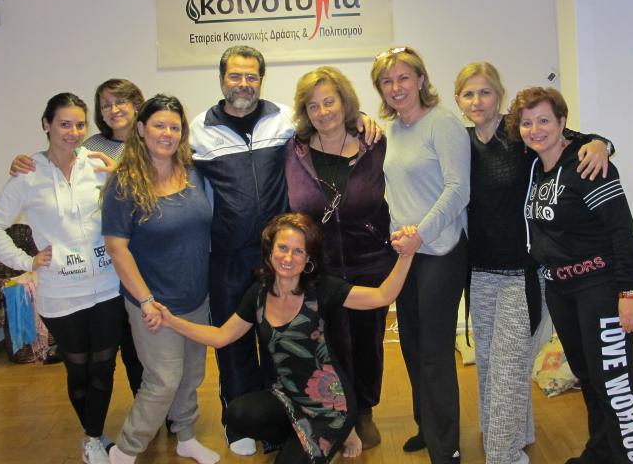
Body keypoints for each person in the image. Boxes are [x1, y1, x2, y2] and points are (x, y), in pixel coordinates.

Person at [189, 45, 379, 456]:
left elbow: (327, 121)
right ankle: (239, 421)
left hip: (279, 255)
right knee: (235, 341)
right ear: (221, 79)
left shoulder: (283, 120)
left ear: (261, 79)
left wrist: (359, 119)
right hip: (228, 255)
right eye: (235, 76)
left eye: (251, 76)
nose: (243, 84)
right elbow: (165, 162)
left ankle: (283, 419)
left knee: (282, 340)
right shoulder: (198, 129)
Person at [157, 213, 415, 464]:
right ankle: (302, 438)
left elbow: (382, 296)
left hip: (330, 408)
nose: (288, 258)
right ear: (270, 251)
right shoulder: (259, 293)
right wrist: (171, 321)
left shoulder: (321, 288)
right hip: (289, 398)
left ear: (308, 258)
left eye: (298, 251)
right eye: (282, 248)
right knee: (238, 414)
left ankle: (343, 433)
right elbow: (221, 336)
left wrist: (406, 255)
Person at [453, 63, 611, 464]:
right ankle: (513, 432)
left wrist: (601, 144)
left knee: (508, 367)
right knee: (490, 365)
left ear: (499, 96)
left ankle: (503, 455)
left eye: (485, 92)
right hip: (479, 273)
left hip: (522, 274)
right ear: (458, 100)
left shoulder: (519, 137)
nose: (477, 101)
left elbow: (573, 140)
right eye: (468, 94)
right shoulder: (460, 142)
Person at [511, 86, 633, 464]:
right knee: (588, 378)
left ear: (562, 122)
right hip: (561, 290)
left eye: (544, 120)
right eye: (527, 123)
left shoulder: (588, 166)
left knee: (615, 386)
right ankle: (601, 453)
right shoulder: (534, 169)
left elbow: (623, 232)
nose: (535, 130)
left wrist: (630, 293)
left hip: (600, 288)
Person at [0, 93, 122, 464]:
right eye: (64, 124)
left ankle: (94, 436)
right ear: (46, 124)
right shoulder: (28, 174)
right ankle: (93, 435)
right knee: (78, 368)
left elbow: (131, 201)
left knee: (104, 366)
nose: (73, 132)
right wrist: (26, 261)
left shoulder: (97, 164)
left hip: (108, 285)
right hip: (61, 291)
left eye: (79, 124)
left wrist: (117, 174)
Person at [285, 67, 396, 455]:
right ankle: (337, 412)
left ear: (345, 102)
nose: (322, 111)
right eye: (313, 105)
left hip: (370, 262)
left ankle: (364, 409)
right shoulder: (294, 151)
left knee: (368, 341)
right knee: (327, 343)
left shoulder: (374, 143)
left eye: (329, 101)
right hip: (320, 267)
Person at [10, 78, 146, 397]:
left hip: (148, 257)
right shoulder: (92, 148)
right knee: (116, 350)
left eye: (120, 101)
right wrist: (21, 163)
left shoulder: (152, 140)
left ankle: (159, 413)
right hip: (111, 266)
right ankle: (138, 412)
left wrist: (121, 172)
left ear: (137, 104)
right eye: (105, 105)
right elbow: (57, 166)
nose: (113, 109)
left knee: (147, 349)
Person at [102, 95, 218, 464]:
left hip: (195, 296)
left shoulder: (193, 173)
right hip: (152, 302)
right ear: (140, 129)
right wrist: (146, 300)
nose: (167, 133)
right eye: (158, 125)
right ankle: (125, 451)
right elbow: (117, 249)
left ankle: (185, 436)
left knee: (191, 375)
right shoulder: (124, 184)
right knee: (163, 379)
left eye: (174, 127)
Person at [370, 46, 470, 464]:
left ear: (421, 80)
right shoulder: (391, 129)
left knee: (434, 351)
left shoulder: (443, 124)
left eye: (403, 78)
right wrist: (400, 238)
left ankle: (447, 447)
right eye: (387, 81)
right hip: (406, 253)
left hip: (440, 249)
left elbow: (458, 190)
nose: (396, 87)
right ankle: (426, 427)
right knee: (411, 344)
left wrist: (421, 234)